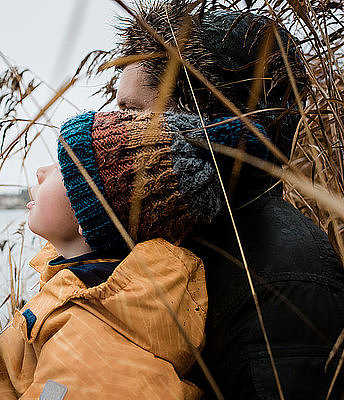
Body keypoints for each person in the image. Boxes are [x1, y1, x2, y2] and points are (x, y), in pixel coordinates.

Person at [114, 1, 344, 399]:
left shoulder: (283, 281)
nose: (108, 128)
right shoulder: (171, 234)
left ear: (198, 127)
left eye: (129, 112)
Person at [0, 109, 255, 399]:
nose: (41, 171)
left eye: (63, 167)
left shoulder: (89, 349)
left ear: (88, 214)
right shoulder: (82, 288)